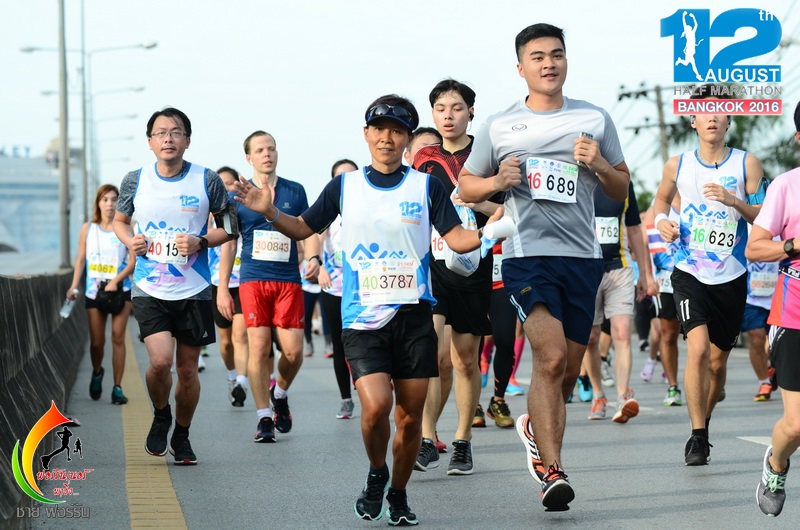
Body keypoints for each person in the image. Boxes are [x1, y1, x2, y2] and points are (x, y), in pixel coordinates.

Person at [232, 94, 503, 526]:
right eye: (379, 130)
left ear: (408, 140)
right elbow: (302, 227)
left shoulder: (426, 186)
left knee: (409, 419)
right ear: (366, 135)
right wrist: (270, 212)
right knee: (376, 407)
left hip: (414, 315)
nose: (387, 138)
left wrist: (496, 228)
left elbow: (456, 239)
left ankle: (398, 493)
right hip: (362, 318)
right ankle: (378, 472)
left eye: (397, 131)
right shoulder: (345, 186)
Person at [458, 23, 630, 511]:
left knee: (566, 370)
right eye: (537, 57)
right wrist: (496, 181)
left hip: (582, 258)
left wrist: (599, 164)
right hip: (526, 255)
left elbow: (621, 188)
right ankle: (553, 472)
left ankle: (536, 428)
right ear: (521, 68)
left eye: (556, 54)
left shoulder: (594, 118)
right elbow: (466, 186)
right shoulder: (500, 125)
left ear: (566, 61)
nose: (548, 63)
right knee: (550, 358)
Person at [114, 107, 233, 465]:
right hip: (149, 287)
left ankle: (182, 433)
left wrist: (201, 241)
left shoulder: (206, 179)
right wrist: (131, 240)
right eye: (161, 133)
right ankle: (161, 413)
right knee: (160, 362)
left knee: (187, 371)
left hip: (194, 288)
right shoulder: (135, 180)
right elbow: (120, 221)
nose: (168, 138)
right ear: (150, 142)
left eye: (176, 132)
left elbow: (230, 227)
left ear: (187, 140)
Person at [653, 84, 765, 466]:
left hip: (731, 274)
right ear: (693, 120)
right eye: (705, 111)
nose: (712, 117)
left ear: (729, 119)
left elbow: (762, 215)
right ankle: (697, 437)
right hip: (689, 269)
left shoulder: (746, 164)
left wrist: (734, 201)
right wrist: (663, 221)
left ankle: (705, 418)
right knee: (697, 349)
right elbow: (660, 200)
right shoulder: (678, 164)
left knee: (717, 364)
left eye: (719, 110)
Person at [412, 79, 502, 475]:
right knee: (430, 352)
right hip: (432, 266)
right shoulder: (423, 158)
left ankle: (463, 441)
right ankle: (427, 439)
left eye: (457, 108)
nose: (448, 116)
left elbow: (506, 211)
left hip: (473, 265)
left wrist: (476, 203)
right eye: (441, 108)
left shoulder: (486, 154)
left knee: (465, 359)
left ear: (471, 112)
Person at [217, 131, 320, 443]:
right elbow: (228, 243)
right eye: (260, 150)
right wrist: (223, 287)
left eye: (271, 148)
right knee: (259, 348)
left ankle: (280, 394)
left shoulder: (295, 190)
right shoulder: (238, 195)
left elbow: (308, 229)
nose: (267, 154)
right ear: (248, 157)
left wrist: (314, 257)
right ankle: (263, 418)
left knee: (293, 352)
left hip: (288, 280)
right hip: (252, 280)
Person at [748, 101, 800, 517]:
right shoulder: (786, 186)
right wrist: (794, 245)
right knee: (797, 424)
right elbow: (755, 247)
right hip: (794, 311)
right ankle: (776, 463)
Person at [581, 181, 650, 422]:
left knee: (621, 332)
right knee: (590, 337)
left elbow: (634, 229)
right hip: (585, 268)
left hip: (619, 267)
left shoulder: (621, 182)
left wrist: (644, 274)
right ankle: (598, 395)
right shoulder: (579, 178)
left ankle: (622, 397)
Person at [68, 184, 135, 405]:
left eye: (114, 199)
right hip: (94, 292)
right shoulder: (88, 229)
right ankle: (97, 371)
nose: (110, 204)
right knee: (97, 343)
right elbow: (80, 260)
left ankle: (117, 387)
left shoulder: (125, 228)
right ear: (98, 203)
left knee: (118, 338)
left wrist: (115, 281)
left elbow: (133, 262)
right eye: (105, 199)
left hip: (120, 291)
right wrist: (73, 286)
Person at [318, 158, 359, 419]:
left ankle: (371, 384)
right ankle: (346, 399)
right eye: (339, 177)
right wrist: (319, 264)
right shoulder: (329, 210)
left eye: (350, 176)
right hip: (333, 287)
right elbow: (314, 235)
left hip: (365, 289)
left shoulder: (369, 207)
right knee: (339, 344)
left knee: (365, 341)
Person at [208, 166, 250, 406]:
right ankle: (232, 377)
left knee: (240, 335)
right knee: (225, 342)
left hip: (243, 282)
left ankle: (242, 383)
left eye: (230, 183)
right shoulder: (208, 216)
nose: (226, 188)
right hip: (218, 284)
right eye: (221, 184)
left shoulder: (246, 210)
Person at [743, 241, 780, 401]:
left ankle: (772, 367)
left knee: (777, 343)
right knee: (756, 338)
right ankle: (764, 382)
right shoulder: (746, 229)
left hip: (780, 296)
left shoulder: (783, 229)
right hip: (751, 298)